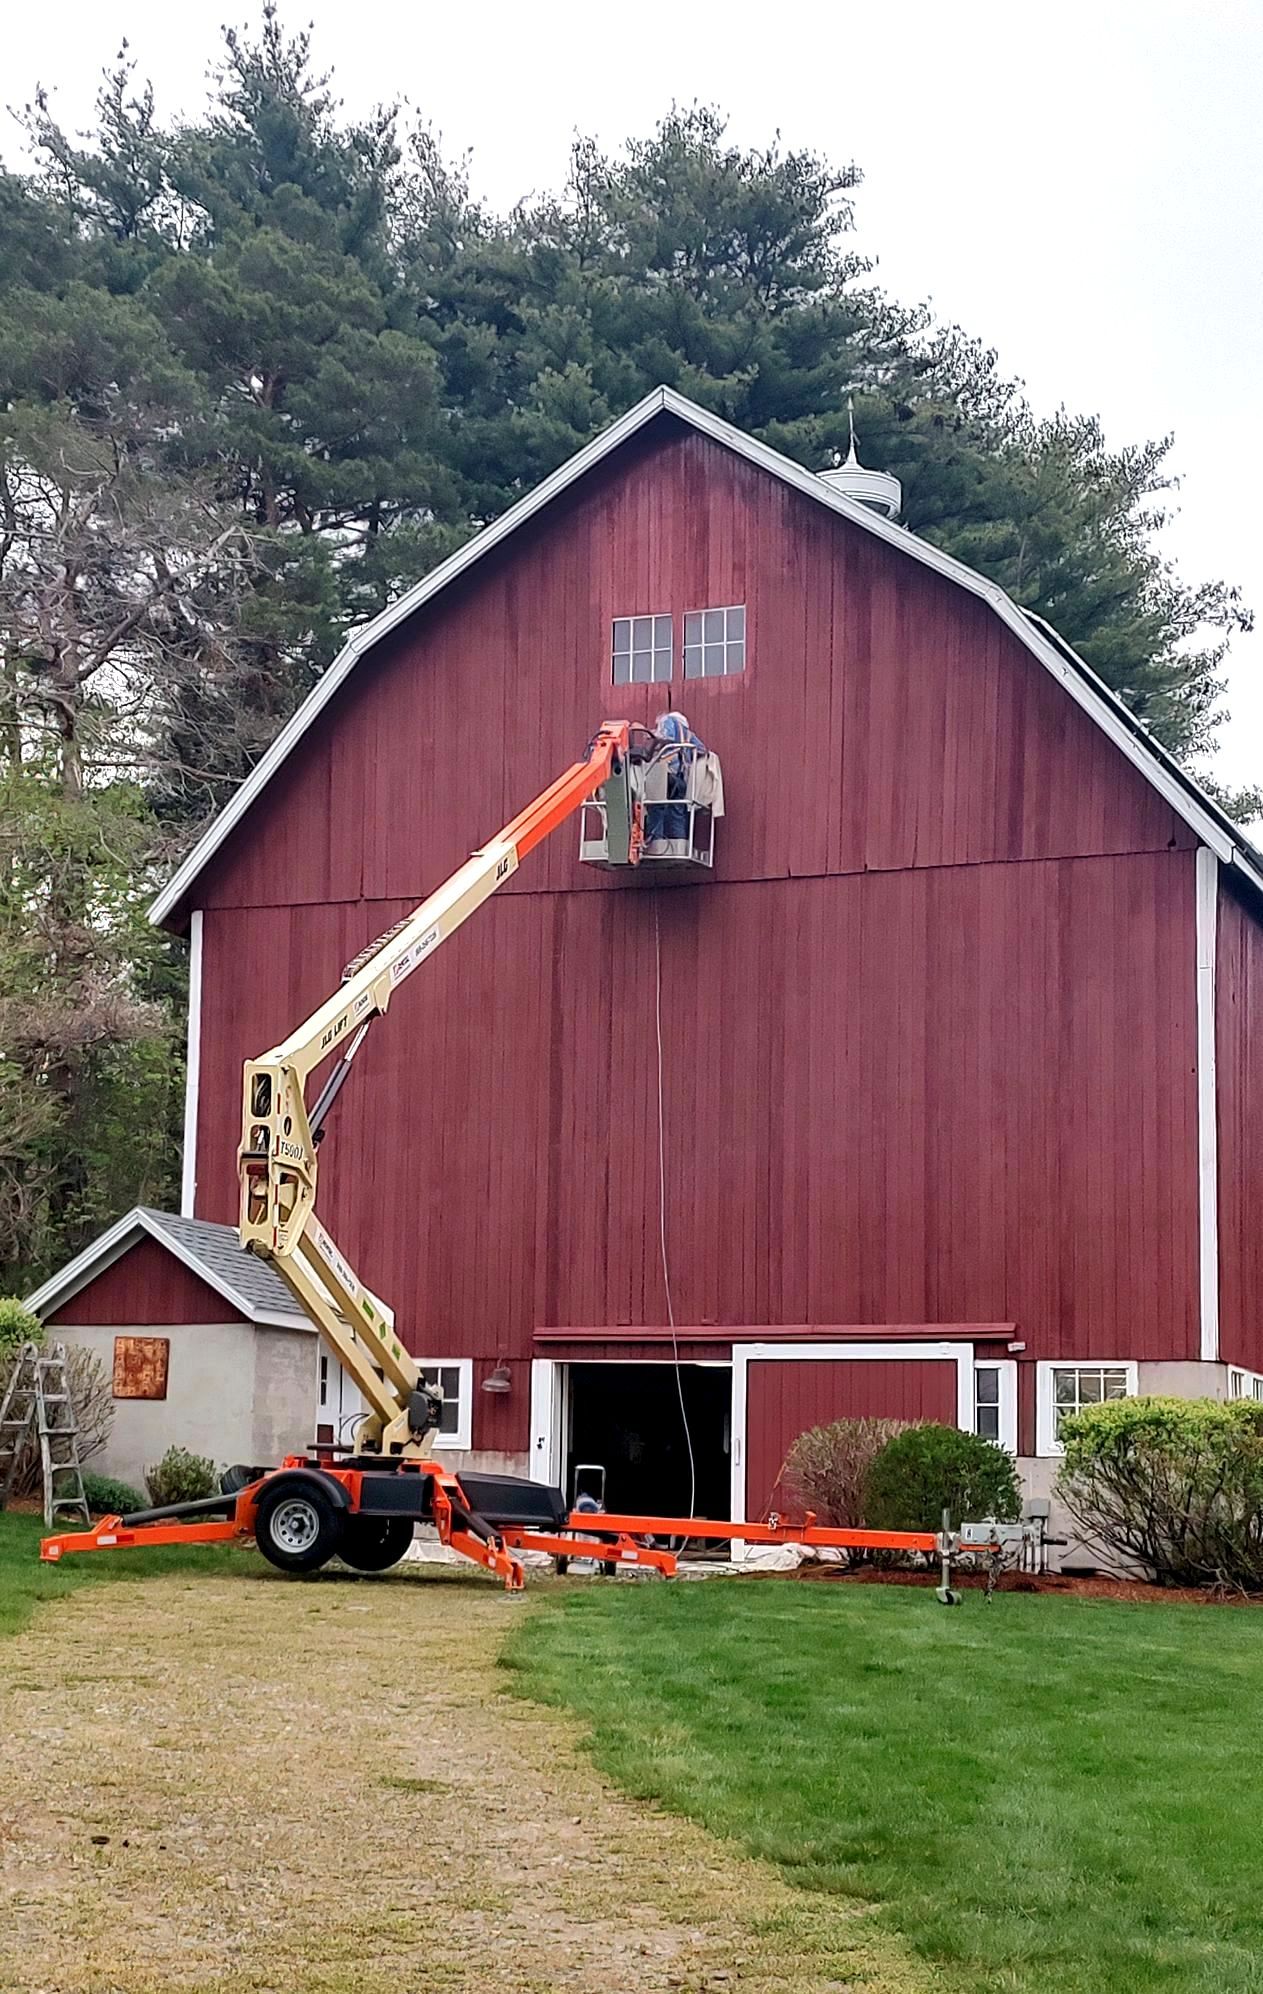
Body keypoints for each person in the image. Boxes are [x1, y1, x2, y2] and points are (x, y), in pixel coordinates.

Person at [645, 710, 705, 856]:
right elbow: (702, 750)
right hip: (681, 778)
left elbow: (665, 737)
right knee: (677, 811)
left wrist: (651, 738)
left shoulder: (668, 721)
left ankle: (655, 843)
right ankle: (680, 845)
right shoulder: (689, 734)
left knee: (656, 805)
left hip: (667, 773)